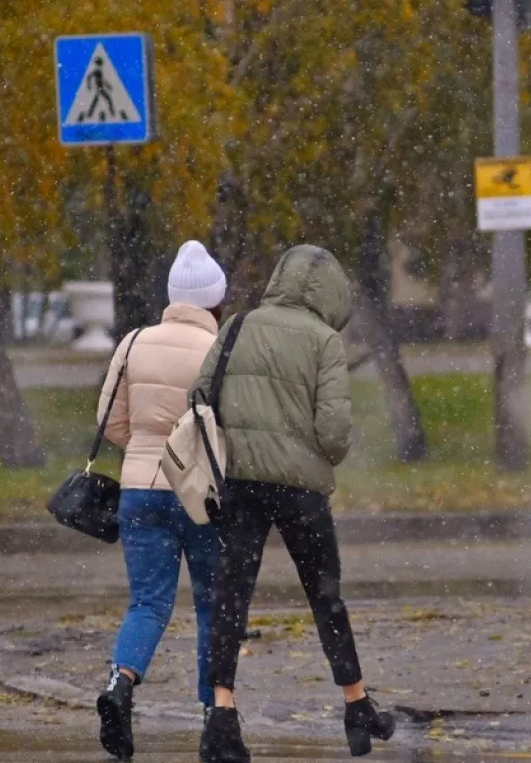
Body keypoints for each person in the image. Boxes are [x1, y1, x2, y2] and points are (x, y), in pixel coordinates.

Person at [192, 245, 396, 763]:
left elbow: (199, 395)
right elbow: (333, 432)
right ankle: (355, 706)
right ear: (331, 293)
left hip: (239, 483)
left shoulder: (239, 325)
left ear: (280, 278)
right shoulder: (325, 340)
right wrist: (319, 449)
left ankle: (222, 714)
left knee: (231, 596)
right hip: (300, 489)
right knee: (325, 597)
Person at [92, 241, 230, 761]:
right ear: (214, 300)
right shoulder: (220, 351)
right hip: (201, 498)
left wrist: (150, 454)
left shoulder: (133, 342)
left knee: (148, 602)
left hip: (139, 490)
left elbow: (111, 419)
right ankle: (213, 715)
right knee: (213, 607)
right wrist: (187, 460)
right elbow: (228, 427)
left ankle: (120, 684)